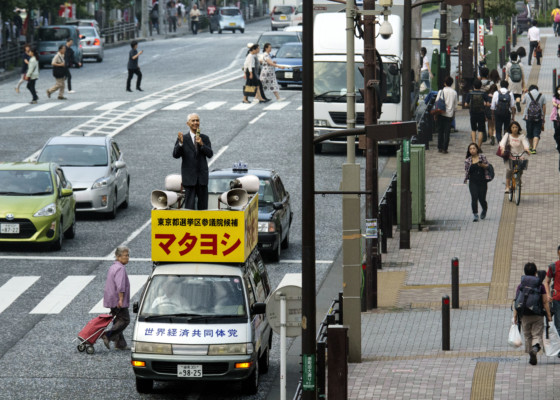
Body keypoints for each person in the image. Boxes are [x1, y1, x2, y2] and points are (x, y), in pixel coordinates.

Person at [512, 262, 552, 366]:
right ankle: (535, 348)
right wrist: (548, 315)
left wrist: (515, 316)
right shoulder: (540, 286)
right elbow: (545, 302)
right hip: (537, 315)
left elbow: (517, 301)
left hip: (524, 315)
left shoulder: (521, 285)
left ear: (525, 272)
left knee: (527, 335)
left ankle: (531, 353)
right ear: (535, 272)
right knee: (536, 334)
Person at [173, 113, 213, 210]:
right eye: (193, 120)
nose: (195, 123)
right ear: (188, 123)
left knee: (203, 207)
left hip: (202, 179)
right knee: (189, 207)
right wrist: (180, 143)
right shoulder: (183, 138)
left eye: (197, 120)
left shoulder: (204, 138)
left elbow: (210, 154)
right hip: (189, 178)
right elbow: (175, 155)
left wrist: (202, 144)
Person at [101, 246, 131, 350]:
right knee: (125, 320)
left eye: (128, 255)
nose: (127, 257)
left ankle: (120, 344)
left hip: (111, 298)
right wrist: (121, 299)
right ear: (118, 257)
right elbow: (120, 285)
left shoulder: (113, 266)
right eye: (125, 255)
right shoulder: (120, 268)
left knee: (118, 319)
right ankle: (108, 335)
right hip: (117, 299)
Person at [498, 121, 530, 194]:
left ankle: (518, 179)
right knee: (509, 170)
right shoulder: (507, 135)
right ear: (510, 128)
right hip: (509, 155)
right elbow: (502, 143)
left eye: (516, 127)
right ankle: (507, 186)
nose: (515, 129)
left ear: (518, 128)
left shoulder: (521, 136)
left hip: (519, 155)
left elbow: (525, 143)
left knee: (520, 169)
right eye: (513, 127)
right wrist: (502, 149)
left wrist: (527, 149)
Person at [464, 143, 490, 222]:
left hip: (482, 181)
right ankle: (475, 214)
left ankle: (484, 209)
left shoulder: (482, 157)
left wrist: (482, 165)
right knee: (474, 197)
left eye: (474, 148)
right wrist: (466, 179)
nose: (472, 150)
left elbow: (487, 166)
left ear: (477, 149)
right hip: (473, 182)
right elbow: (466, 171)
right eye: (470, 149)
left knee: (482, 198)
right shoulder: (467, 160)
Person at [463, 79, 490, 147]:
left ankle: (474, 145)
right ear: (480, 86)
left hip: (473, 113)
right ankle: (479, 147)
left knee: (473, 130)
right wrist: (484, 104)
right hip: (481, 114)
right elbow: (488, 104)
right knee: (480, 131)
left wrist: (470, 105)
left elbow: (466, 104)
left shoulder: (470, 93)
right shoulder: (483, 94)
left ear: (473, 86)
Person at [544, 246, 560, 359]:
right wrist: (548, 295)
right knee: (558, 324)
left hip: (556, 298)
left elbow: (547, 282)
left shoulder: (553, 266)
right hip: (557, 298)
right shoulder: (553, 266)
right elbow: (547, 281)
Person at [435, 76, 458, 154]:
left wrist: (435, 114)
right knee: (447, 132)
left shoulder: (441, 91)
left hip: (441, 113)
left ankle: (440, 147)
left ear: (445, 83)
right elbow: (455, 106)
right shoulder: (454, 92)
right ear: (451, 83)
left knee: (440, 131)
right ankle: (445, 148)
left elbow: (437, 102)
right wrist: (453, 115)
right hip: (449, 114)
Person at [521, 84, 546, 154]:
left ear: (530, 89)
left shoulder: (527, 95)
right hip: (539, 117)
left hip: (528, 117)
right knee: (536, 133)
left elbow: (522, 102)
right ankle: (534, 148)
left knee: (529, 133)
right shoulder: (542, 95)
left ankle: (531, 146)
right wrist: (543, 117)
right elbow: (544, 107)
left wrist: (524, 93)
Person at [550, 84, 560, 170]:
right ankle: (557, 142)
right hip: (555, 116)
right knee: (556, 130)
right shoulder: (555, 97)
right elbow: (553, 103)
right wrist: (557, 105)